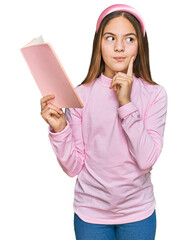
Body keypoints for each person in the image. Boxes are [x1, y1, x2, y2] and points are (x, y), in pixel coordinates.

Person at [40, 4, 167, 240]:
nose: (119, 47)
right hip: (91, 214)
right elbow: (73, 167)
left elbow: (146, 158)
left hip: (138, 213)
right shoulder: (81, 95)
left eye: (129, 39)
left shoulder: (155, 94)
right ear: (99, 43)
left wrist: (126, 103)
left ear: (140, 45)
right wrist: (59, 129)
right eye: (110, 38)